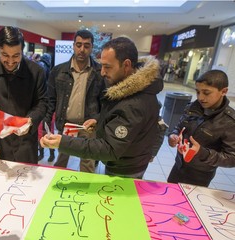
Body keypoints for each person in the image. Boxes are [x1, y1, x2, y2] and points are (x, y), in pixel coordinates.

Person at [41, 36, 163, 178]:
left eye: (107, 67)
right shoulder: (127, 88)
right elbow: (116, 113)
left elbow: (109, 148)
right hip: (124, 159)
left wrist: (63, 142)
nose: (103, 72)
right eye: (102, 65)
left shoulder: (134, 102)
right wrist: (99, 120)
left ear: (127, 65)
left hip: (126, 168)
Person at [0, 26, 48, 164]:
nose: (10, 62)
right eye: (5, 55)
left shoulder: (36, 71)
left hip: (26, 140)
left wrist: (30, 120)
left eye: (16, 55)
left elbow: (42, 102)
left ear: (22, 50)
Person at [45, 29, 106, 173]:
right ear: (73, 45)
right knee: (61, 160)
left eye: (86, 45)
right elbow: (51, 99)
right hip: (66, 124)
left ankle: (84, 193)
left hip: (88, 125)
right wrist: (46, 120)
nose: (82, 49)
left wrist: (97, 119)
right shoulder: (58, 71)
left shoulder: (99, 72)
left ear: (91, 47)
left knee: (87, 163)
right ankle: (56, 188)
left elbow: (105, 102)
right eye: (78, 45)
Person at [167, 69, 235, 187]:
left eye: (206, 93)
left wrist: (202, 153)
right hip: (178, 166)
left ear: (223, 91)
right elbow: (179, 127)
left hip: (200, 175)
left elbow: (231, 158)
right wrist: (173, 135)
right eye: (198, 92)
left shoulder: (229, 121)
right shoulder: (192, 107)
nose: (200, 97)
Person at [36, 53, 55, 162]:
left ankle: (48, 153)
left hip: (47, 107)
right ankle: (45, 153)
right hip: (45, 107)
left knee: (47, 132)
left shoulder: (45, 70)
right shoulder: (49, 70)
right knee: (45, 132)